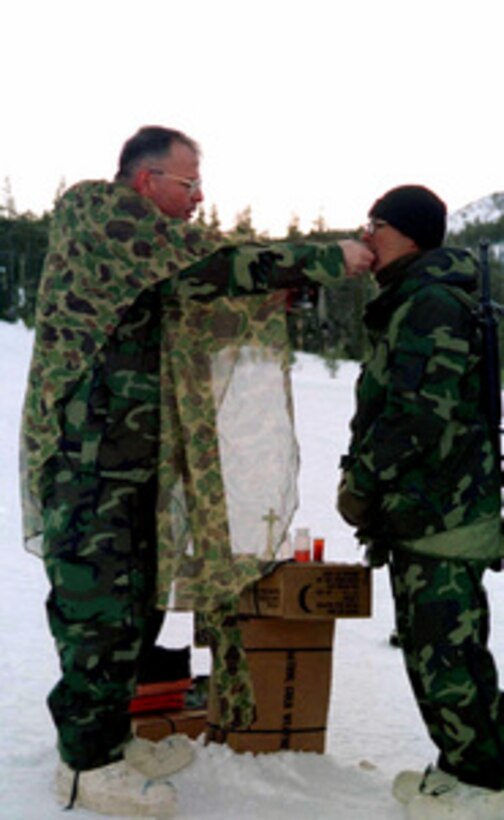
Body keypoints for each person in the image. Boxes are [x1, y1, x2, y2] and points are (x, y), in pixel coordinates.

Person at [20, 125, 372, 817]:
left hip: (138, 466)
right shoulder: (103, 214)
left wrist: (257, 304)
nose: (198, 196)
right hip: (90, 468)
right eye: (188, 183)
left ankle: (113, 736)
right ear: (147, 180)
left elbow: (189, 308)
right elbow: (205, 265)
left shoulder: (145, 259)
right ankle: (84, 766)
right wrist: (324, 259)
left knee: (139, 608)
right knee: (98, 613)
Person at [337, 185, 504, 819]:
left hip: (443, 511)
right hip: (426, 507)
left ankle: (482, 783)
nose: (365, 234)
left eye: (374, 224)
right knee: (438, 647)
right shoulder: (413, 298)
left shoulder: (430, 303)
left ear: (406, 234)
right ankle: (466, 763)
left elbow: (416, 414)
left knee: (446, 655)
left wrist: (362, 482)